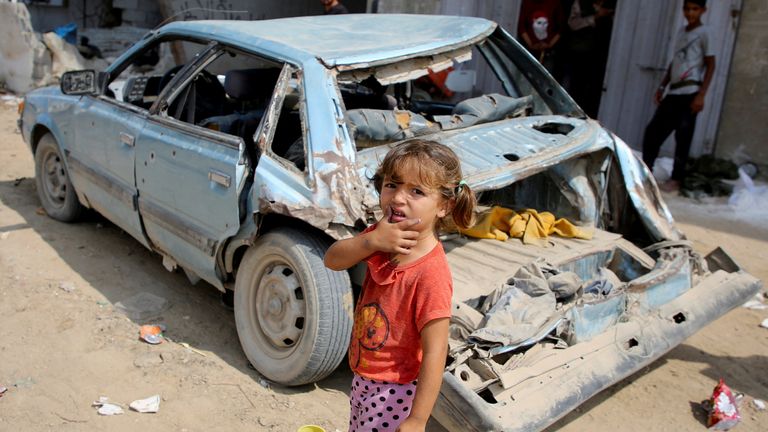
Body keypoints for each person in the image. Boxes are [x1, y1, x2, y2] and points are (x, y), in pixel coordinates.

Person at [324, 139, 477, 432]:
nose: (397, 198)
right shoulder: (381, 236)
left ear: (444, 206)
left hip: (394, 391)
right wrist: (370, 240)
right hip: (363, 378)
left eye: (416, 191)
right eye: (392, 184)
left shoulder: (430, 272)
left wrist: (417, 420)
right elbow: (332, 260)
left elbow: (436, 350)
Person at [642, 0, 715, 193]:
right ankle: (646, 171)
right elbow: (675, 61)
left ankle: (676, 179)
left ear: (702, 10)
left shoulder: (705, 33)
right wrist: (662, 85)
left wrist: (701, 95)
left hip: (691, 92)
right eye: (687, 9)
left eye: (695, 9)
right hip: (674, 91)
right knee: (653, 132)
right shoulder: (682, 32)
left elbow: (710, 64)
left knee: (683, 136)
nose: (690, 13)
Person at [564, 0, 615, 118]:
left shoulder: (610, 6)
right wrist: (596, 17)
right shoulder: (580, 3)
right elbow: (573, 24)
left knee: (594, 91)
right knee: (576, 89)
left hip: (600, 56)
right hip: (580, 54)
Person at [518, 0, 566, 75]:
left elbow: (561, 28)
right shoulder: (527, 3)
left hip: (548, 53)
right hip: (527, 51)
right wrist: (530, 44)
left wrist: (549, 45)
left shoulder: (555, 3)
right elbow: (521, 27)